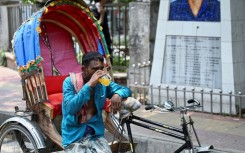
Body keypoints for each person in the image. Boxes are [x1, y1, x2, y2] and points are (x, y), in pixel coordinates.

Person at [61, 52, 131, 152]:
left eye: (101, 68)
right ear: (84, 69)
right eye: (94, 69)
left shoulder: (103, 83)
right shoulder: (70, 82)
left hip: (96, 136)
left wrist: (118, 94)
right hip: (74, 137)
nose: (99, 73)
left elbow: (126, 90)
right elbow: (70, 109)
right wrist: (89, 85)